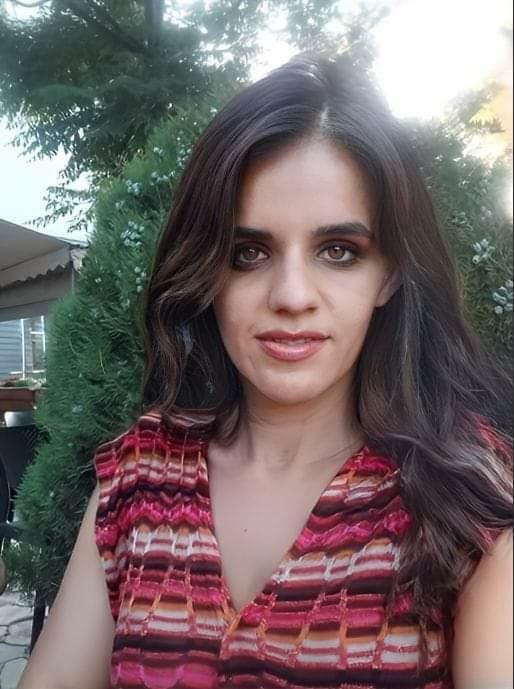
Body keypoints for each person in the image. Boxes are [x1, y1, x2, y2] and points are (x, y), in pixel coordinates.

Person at [18, 51, 513, 689]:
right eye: (248, 252)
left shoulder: (466, 498)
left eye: (339, 251)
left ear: (389, 273)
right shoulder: (141, 479)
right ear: (207, 271)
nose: (292, 295)